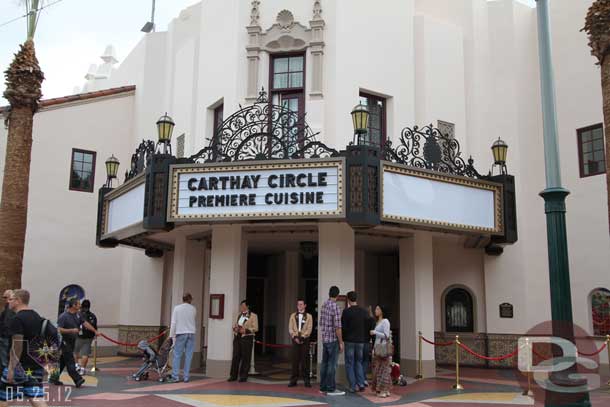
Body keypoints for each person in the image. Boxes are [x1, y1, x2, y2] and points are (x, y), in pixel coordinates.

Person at [0, 289, 48, 407]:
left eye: (11, 299)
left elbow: (17, 346)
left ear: (18, 300)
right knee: (36, 398)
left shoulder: (17, 319)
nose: (8, 302)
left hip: (18, 366)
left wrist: (11, 369)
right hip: (35, 365)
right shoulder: (37, 317)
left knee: (4, 399)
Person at [55, 299, 96, 387]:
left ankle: (54, 377)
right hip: (64, 342)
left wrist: (95, 331)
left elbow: (85, 323)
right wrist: (71, 330)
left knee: (63, 361)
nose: (80, 306)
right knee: (70, 360)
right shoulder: (64, 316)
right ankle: (77, 379)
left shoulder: (78, 315)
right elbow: (58, 329)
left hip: (72, 341)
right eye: (78, 304)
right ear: (73, 305)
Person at [318, 286, 345, 396]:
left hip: (325, 339)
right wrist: (341, 342)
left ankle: (323, 387)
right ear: (337, 296)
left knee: (324, 363)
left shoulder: (324, 305)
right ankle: (330, 388)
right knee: (332, 365)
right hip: (333, 340)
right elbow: (338, 327)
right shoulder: (336, 307)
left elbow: (320, 323)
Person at [341, 291, 368, 393]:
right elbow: (367, 325)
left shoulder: (346, 312)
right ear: (356, 299)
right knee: (359, 362)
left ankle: (353, 385)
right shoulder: (363, 311)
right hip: (361, 341)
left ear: (348, 299)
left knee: (349, 363)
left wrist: (343, 340)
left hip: (349, 341)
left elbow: (343, 327)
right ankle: (361, 383)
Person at [168, 293, 197, 383]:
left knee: (177, 355)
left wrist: (171, 336)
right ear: (190, 299)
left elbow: (173, 323)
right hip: (191, 333)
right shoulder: (193, 309)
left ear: (182, 299)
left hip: (181, 333)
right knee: (189, 356)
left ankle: (175, 376)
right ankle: (186, 377)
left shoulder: (177, 308)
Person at [228, 300, 258, 382]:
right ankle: (233, 375)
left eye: (243, 305)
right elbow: (236, 324)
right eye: (241, 306)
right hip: (237, 338)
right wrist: (235, 328)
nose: (241, 307)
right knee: (235, 357)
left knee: (246, 358)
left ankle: (243, 376)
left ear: (247, 306)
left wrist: (246, 330)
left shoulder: (253, 316)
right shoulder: (239, 315)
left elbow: (255, 328)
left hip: (247, 339)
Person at [288, 298, 313, 388]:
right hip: (295, 340)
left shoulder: (309, 316)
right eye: (298, 304)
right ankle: (293, 380)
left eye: (301, 304)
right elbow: (290, 328)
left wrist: (302, 337)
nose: (299, 306)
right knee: (295, 361)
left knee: (304, 361)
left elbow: (309, 329)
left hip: (305, 340)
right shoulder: (292, 316)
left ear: (305, 305)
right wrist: (294, 336)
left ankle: (306, 380)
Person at [370, 305, 392, 398]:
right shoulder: (378, 322)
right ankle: (384, 389)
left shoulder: (385, 321)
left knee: (383, 370)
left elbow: (386, 335)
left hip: (383, 348)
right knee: (379, 370)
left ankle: (383, 390)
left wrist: (375, 332)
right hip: (377, 347)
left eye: (378, 309)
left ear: (382, 311)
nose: (376, 310)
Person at [74, 299, 97, 375]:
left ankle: (76, 365)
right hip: (88, 337)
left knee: (74, 352)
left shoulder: (77, 314)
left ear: (81, 306)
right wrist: (94, 334)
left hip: (78, 336)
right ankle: (83, 369)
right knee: (85, 354)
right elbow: (95, 327)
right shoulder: (92, 316)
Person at [0, 290, 15, 373]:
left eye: (6, 297)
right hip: (7, 337)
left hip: (5, 338)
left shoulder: (9, 309)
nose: (4, 299)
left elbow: (7, 324)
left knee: (5, 360)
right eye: (4, 297)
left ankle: (6, 376)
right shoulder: (8, 308)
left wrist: (4, 335)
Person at [362, 305, 376, 387]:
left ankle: (360, 379)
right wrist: (374, 345)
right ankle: (364, 378)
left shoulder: (361, 320)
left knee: (359, 361)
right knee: (365, 361)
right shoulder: (372, 320)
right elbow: (373, 333)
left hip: (359, 342)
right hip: (367, 342)